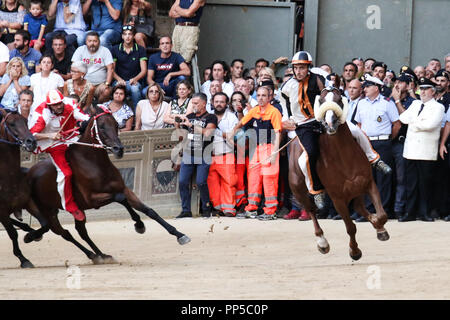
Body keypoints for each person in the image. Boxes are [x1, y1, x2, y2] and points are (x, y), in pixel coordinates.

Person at [28, 89, 90, 221]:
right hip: (53, 144)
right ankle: (69, 205)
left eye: (60, 103)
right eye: (55, 105)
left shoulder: (70, 104)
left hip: (72, 138)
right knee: (66, 173)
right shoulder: (41, 113)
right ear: (49, 105)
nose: (59, 106)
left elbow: (85, 118)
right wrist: (50, 135)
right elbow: (32, 135)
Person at [229, 86, 282, 220]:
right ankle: (251, 209)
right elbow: (242, 122)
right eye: (258, 95)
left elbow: (278, 133)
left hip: (269, 147)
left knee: (269, 179)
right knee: (253, 179)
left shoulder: (274, 112)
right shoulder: (254, 111)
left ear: (269, 97)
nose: (261, 98)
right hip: (256, 148)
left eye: (264, 95)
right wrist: (232, 132)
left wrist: (274, 153)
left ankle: (271, 211)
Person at [398, 78, 445, 222]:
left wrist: (414, 123)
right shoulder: (415, 104)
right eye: (421, 89)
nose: (422, 92)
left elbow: (430, 124)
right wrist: (418, 122)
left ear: (432, 91)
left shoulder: (438, 107)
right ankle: (410, 213)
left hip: (426, 151)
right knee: (410, 184)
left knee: (425, 184)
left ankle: (425, 212)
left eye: (426, 89)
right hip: (411, 150)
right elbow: (403, 117)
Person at [354, 74, 401, 218]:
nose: (365, 88)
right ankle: (368, 210)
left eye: (368, 86)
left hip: (383, 143)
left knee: (383, 178)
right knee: (367, 177)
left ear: (376, 87)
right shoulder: (361, 103)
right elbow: (359, 124)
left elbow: (397, 125)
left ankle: (382, 209)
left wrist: (387, 139)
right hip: (366, 144)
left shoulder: (387, 103)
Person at [175, 92, 217, 218]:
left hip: (204, 152)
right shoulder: (189, 116)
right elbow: (181, 135)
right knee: (182, 182)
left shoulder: (211, 117)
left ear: (204, 104)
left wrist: (191, 125)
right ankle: (186, 210)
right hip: (189, 152)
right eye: (192, 103)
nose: (193, 105)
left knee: (201, 182)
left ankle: (206, 209)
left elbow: (208, 133)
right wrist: (178, 124)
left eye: (196, 103)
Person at [207, 92, 238, 217]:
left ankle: (229, 209)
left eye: (222, 102)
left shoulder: (231, 118)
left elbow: (234, 136)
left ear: (226, 104)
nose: (219, 104)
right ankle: (218, 208)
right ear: (212, 103)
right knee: (213, 184)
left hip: (226, 153)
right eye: (216, 101)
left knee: (229, 182)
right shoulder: (208, 116)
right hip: (210, 155)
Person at [390, 73, 416, 219]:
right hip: (389, 142)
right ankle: (387, 208)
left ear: (408, 85)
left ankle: (399, 209)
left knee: (401, 178)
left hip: (402, 142)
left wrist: (397, 100)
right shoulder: (388, 100)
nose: (397, 85)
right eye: (396, 82)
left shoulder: (413, 102)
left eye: (401, 82)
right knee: (388, 177)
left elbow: (406, 119)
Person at [71, 31, 114, 102]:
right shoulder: (80, 50)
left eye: (95, 41)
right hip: (83, 84)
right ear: (86, 42)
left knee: (106, 91)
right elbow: (74, 67)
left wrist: (107, 84)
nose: (92, 44)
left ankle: (99, 108)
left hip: (99, 85)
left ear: (99, 42)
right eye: (90, 41)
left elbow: (110, 69)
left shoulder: (105, 51)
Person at [111, 25, 147, 110]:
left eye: (130, 34)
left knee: (135, 89)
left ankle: (136, 114)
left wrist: (135, 79)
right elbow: (111, 69)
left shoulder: (140, 49)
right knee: (117, 88)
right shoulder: (115, 49)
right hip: (119, 80)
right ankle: (115, 112)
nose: (127, 36)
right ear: (122, 36)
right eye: (125, 34)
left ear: (134, 36)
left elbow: (144, 70)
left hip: (134, 81)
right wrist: (119, 79)